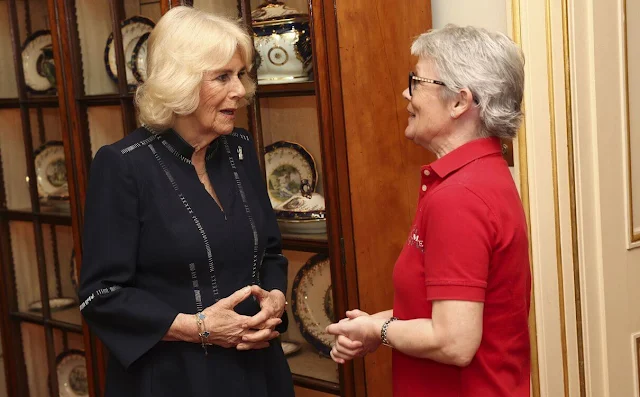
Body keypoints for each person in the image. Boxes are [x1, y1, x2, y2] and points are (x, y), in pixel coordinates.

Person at [78, 6, 294, 397]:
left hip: (258, 369)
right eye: (223, 77)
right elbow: (102, 295)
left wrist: (275, 300)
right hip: (173, 377)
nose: (241, 91)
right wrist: (200, 328)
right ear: (181, 80)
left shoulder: (240, 149)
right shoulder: (124, 166)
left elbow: (271, 253)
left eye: (241, 74)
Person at [326, 25, 531, 397]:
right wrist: (374, 323)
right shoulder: (479, 175)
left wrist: (377, 331)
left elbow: (454, 342)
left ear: (459, 102)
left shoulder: (460, 196)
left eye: (416, 81)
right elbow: (448, 311)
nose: (406, 93)